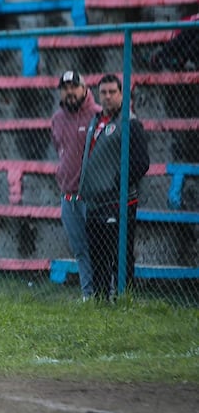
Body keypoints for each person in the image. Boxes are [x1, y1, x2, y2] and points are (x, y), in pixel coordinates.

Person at [78, 74, 150, 302]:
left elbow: (141, 163)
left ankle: (124, 299)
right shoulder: (96, 120)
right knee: (97, 256)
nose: (107, 97)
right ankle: (100, 301)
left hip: (119, 202)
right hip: (95, 202)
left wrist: (116, 182)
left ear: (122, 94)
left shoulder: (130, 123)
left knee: (121, 256)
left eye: (112, 92)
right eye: (103, 92)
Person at [50, 70, 101, 302]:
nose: (69, 92)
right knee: (80, 249)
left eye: (74, 87)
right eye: (65, 88)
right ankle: (88, 295)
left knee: (100, 248)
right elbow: (60, 150)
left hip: (95, 196)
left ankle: (107, 294)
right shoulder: (57, 119)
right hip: (68, 196)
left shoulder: (98, 115)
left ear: (84, 88)